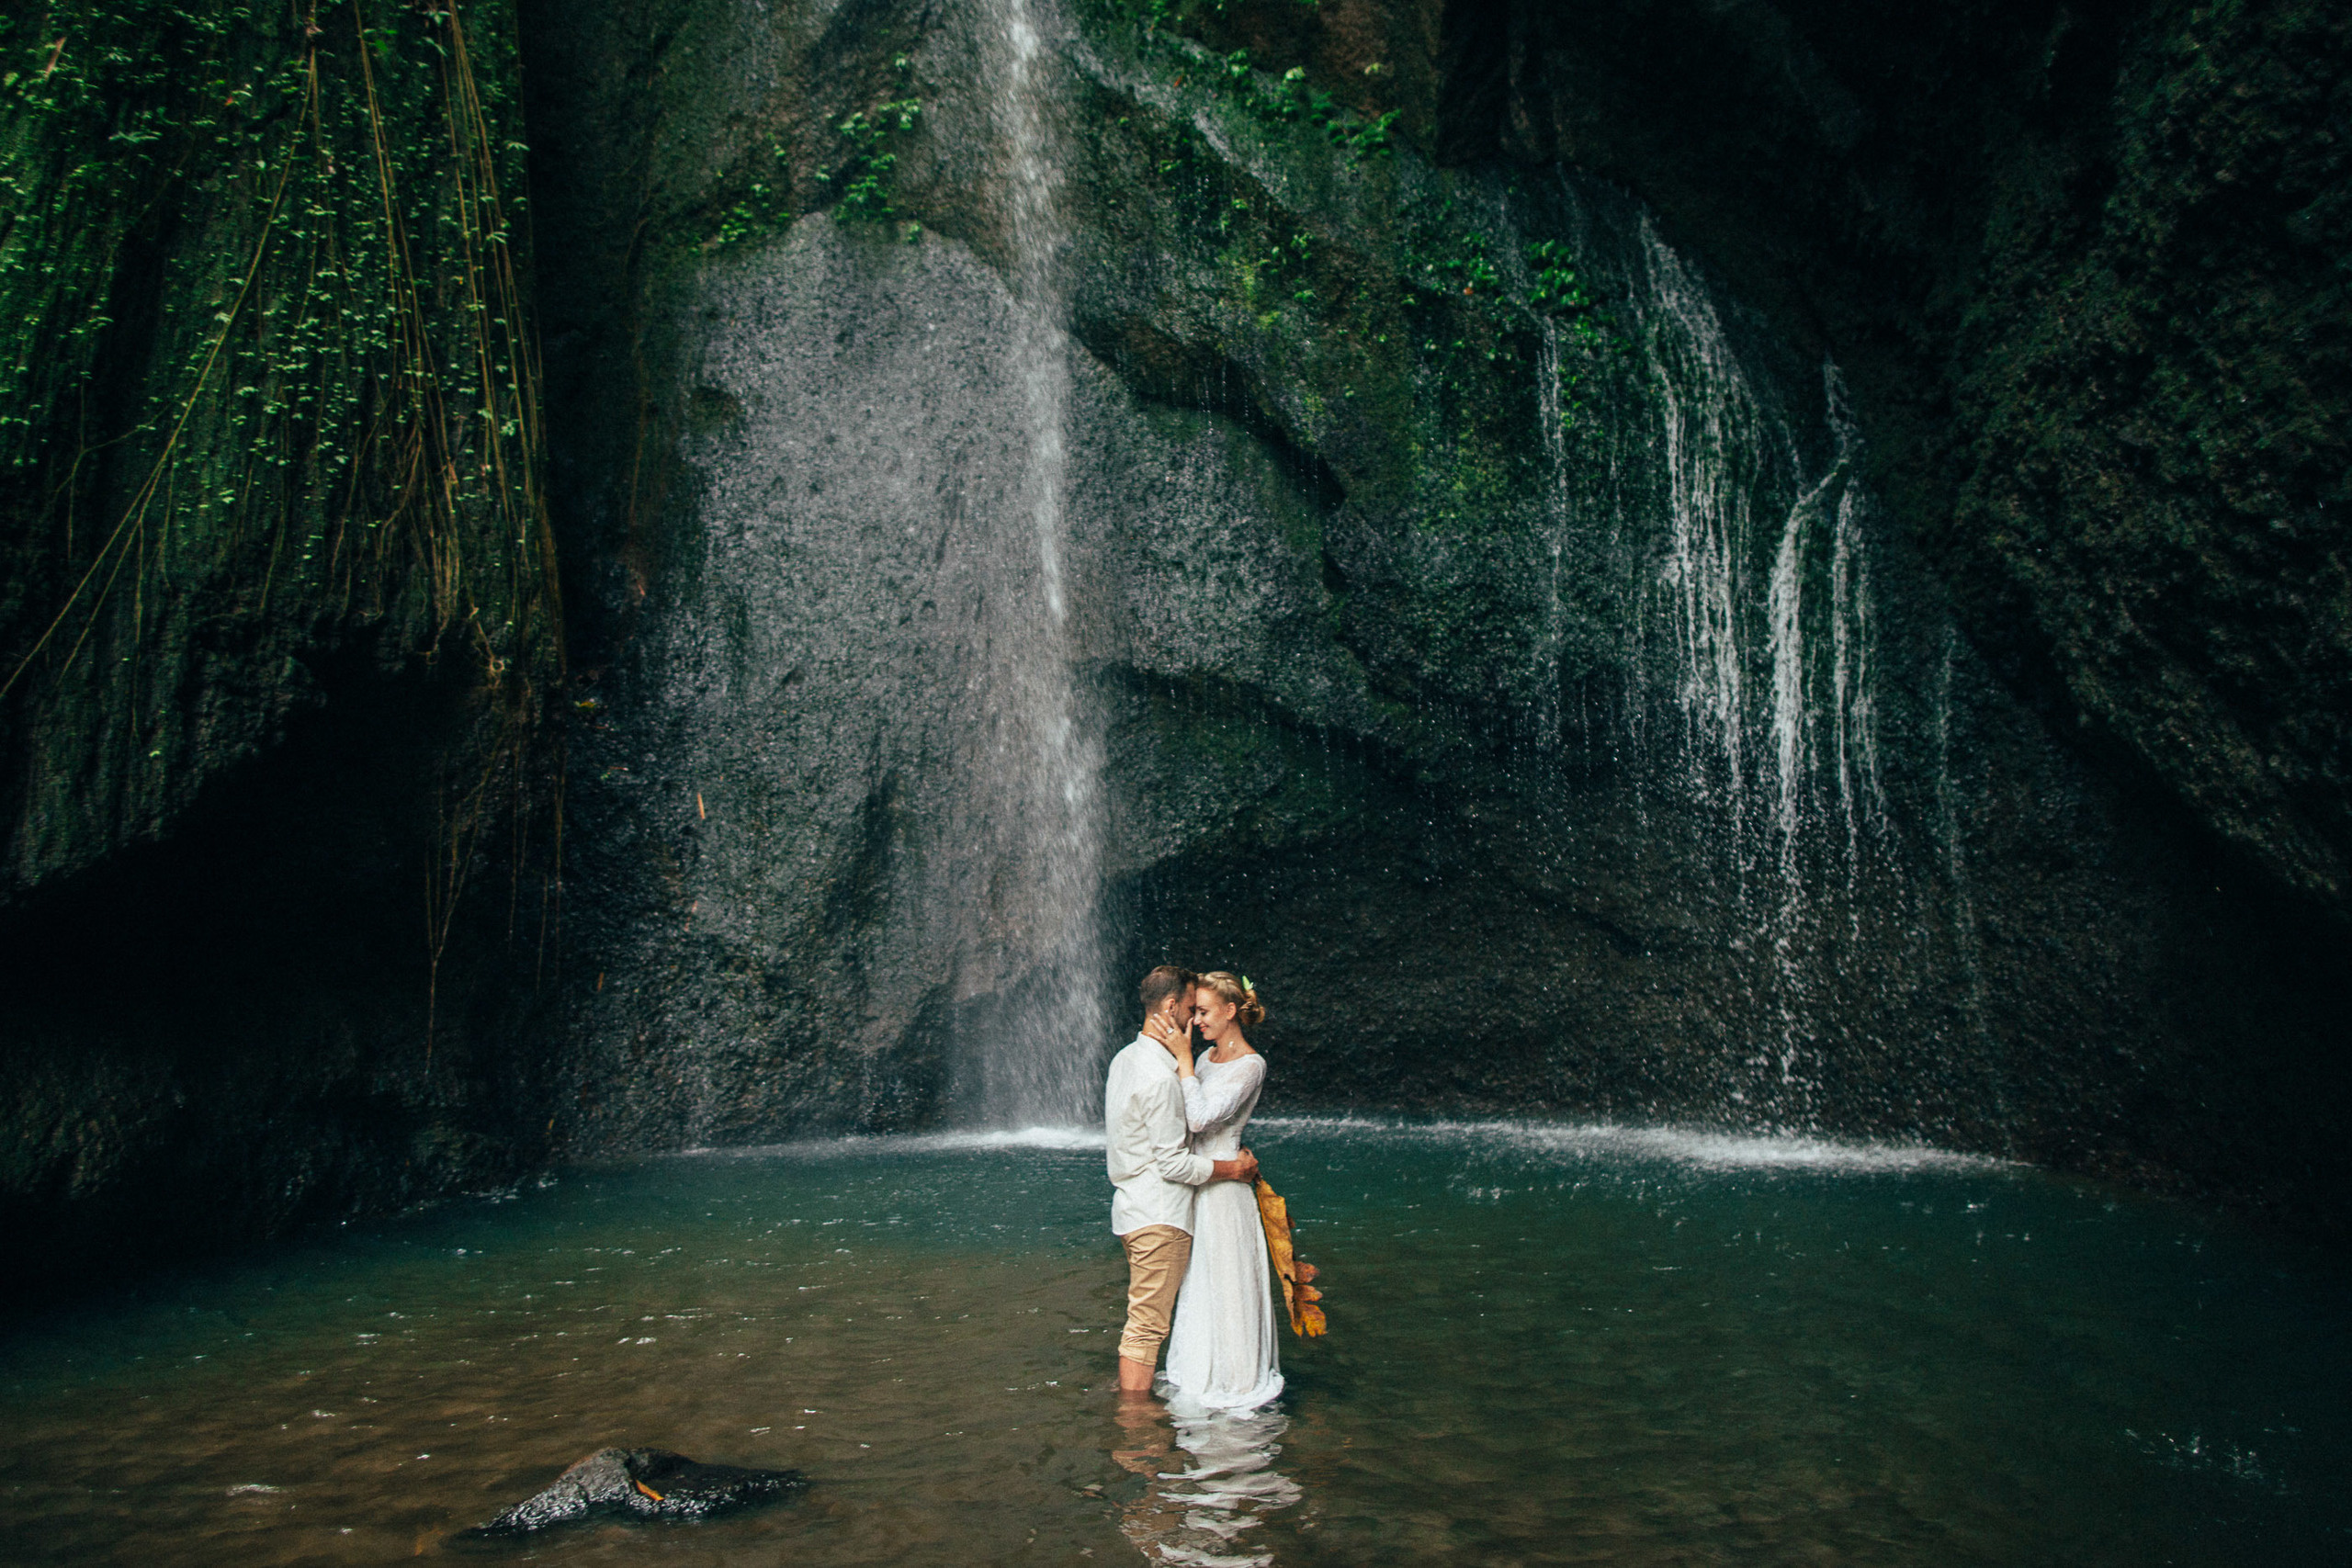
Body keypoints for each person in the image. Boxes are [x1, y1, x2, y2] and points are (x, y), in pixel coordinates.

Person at [1106, 964, 1259, 1396]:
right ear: (1171, 1007)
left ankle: (1141, 1400)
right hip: (1160, 1214)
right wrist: (1232, 1169)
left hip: (1132, 1206)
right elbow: (1174, 1164)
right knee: (1146, 1326)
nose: (1194, 1019)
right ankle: (1133, 1427)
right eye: (1191, 1008)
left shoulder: (1125, 1059)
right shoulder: (1162, 1076)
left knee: (1150, 1318)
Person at [1154, 970, 1283, 1412]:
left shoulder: (1251, 1065)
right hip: (1201, 1179)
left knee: (1228, 1282)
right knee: (1200, 1281)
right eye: (1195, 1012)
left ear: (1231, 1012)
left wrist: (1184, 1060)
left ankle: (1235, 1376)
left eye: (1204, 1012)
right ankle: (1196, 1369)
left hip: (1227, 1192)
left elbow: (1201, 1118)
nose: (1197, 1020)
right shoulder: (1207, 1060)